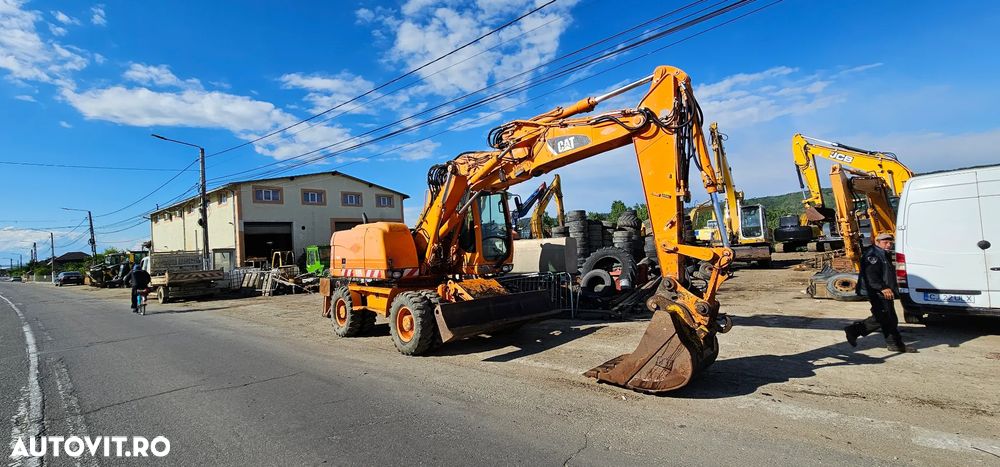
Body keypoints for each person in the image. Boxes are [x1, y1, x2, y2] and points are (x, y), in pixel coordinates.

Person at [844, 233, 916, 352]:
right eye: (885, 242)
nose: (888, 245)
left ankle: (894, 344)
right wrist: (882, 288)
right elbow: (871, 275)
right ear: (877, 242)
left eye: (890, 242)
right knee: (885, 317)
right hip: (876, 292)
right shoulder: (873, 255)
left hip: (882, 291)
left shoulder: (882, 253)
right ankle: (854, 330)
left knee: (888, 318)